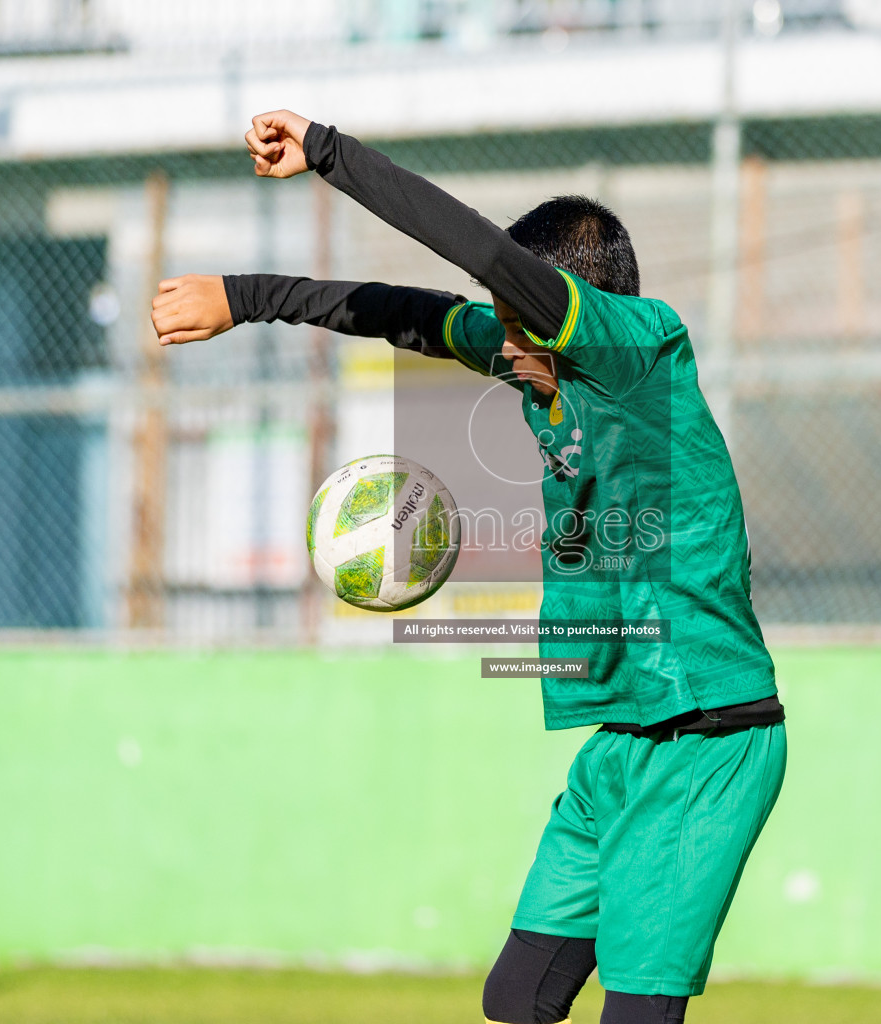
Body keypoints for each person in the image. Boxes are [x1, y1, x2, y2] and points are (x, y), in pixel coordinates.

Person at [150, 110, 786, 1024]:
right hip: (628, 741)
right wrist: (245, 296)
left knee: (637, 1014)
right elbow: (409, 314)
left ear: (569, 306)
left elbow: (475, 250)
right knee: (517, 998)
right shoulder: (540, 359)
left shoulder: (632, 350)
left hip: (706, 743)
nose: (498, 341)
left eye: (514, 317)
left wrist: (326, 154)